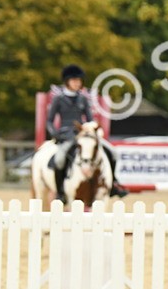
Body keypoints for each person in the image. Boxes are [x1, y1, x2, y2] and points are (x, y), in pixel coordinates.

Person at [47, 64, 129, 201]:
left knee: (113, 152)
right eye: (74, 80)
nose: (77, 83)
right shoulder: (58, 99)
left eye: (79, 80)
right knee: (60, 158)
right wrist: (55, 133)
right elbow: (49, 121)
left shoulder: (83, 99)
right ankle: (60, 192)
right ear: (67, 82)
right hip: (66, 134)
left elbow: (90, 119)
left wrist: (94, 128)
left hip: (86, 134)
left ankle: (113, 183)